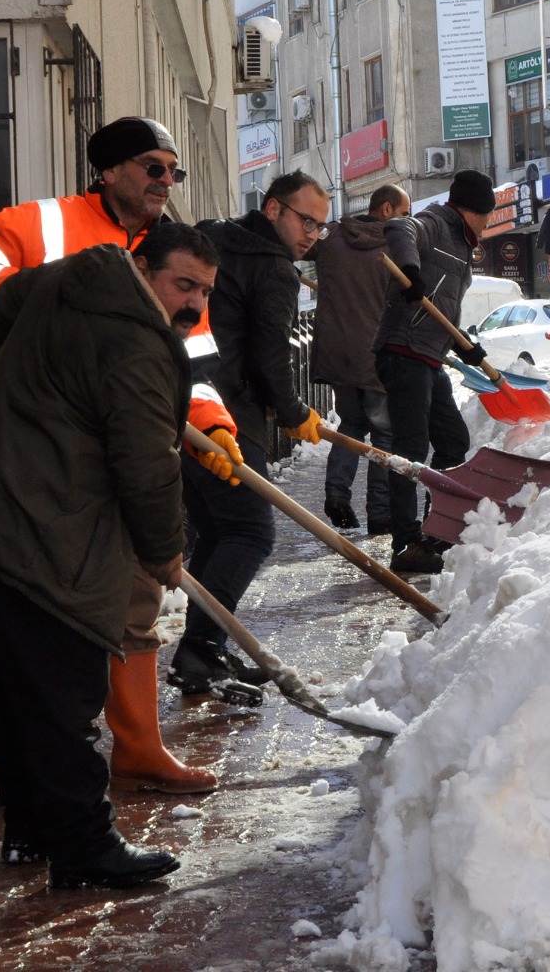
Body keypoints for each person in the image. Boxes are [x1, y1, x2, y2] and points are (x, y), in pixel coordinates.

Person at [0, 223, 220, 888]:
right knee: (63, 691)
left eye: (202, 291)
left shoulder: (64, 279)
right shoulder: (139, 342)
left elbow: (1, 311)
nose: (191, 303)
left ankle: (29, 826)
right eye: (182, 284)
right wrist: (164, 551)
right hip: (38, 526)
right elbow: (145, 464)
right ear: (144, 267)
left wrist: (26, 396)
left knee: (5, 682)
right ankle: (83, 846)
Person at [0, 116, 235, 795]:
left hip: (125, 451)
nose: (166, 182)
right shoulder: (46, 224)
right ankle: (35, 774)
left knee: (136, 600)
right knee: (41, 623)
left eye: (173, 171)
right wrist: (25, 307)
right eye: (153, 167)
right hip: (49, 454)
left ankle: (138, 747)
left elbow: (192, 365)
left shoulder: (174, 260)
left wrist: (213, 428)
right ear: (110, 171)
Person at [175, 172, 330, 695]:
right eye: (305, 220)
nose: (311, 234)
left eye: (320, 227)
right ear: (272, 210)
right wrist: (292, 411)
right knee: (250, 532)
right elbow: (271, 357)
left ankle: (202, 651)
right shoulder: (275, 269)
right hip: (230, 420)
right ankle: (201, 649)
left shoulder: (210, 239)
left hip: (182, 411)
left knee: (217, 534)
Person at [374, 169, 494, 575]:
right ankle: (406, 543)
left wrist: (465, 345)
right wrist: (410, 270)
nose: (488, 223)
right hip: (404, 349)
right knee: (408, 449)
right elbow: (397, 227)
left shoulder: (460, 245)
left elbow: (439, 308)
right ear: (473, 210)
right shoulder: (436, 224)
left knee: (452, 440)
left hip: (428, 354)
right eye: (487, 215)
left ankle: (433, 532)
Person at [310, 183, 411, 534]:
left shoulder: (333, 236)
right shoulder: (392, 247)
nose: (405, 221)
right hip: (375, 355)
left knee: (351, 425)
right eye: (403, 213)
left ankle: (337, 494)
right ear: (385, 210)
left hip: (338, 353)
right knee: (384, 434)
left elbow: (305, 247)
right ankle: (380, 514)